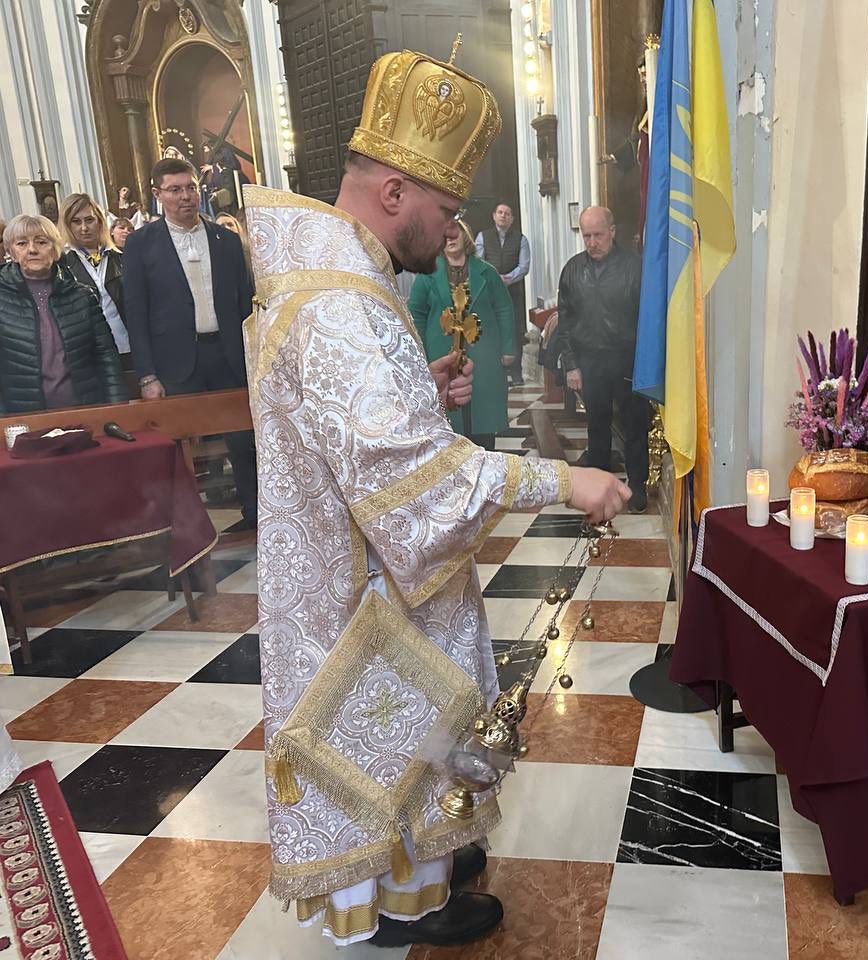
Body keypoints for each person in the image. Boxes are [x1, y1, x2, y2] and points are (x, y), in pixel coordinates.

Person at [242, 50, 631, 950]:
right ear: (393, 191)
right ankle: (394, 907)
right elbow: (409, 478)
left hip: (358, 577)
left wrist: (417, 378)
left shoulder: (334, 277)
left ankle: (428, 866)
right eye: (446, 210)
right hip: (363, 594)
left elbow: (346, 425)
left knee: (415, 737)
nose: (451, 228)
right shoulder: (337, 301)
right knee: (386, 745)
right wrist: (562, 478)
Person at [124, 156, 258, 531]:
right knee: (177, 444)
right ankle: (186, 526)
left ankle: (255, 512)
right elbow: (136, 313)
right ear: (158, 194)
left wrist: (253, 357)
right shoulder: (140, 244)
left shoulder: (226, 240)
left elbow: (245, 302)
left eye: (190, 188)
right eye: (175, 190)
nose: (185, 196)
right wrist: (147, 375)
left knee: (243, 438)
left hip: (227, 354)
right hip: (176, 359)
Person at [556, 205, 650, 512]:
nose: (592, 242)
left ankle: (636, 488)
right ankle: (597, 490)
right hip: (590, 361)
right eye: (586, 236)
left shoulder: (634, 268)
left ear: (612, 231)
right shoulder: (573, 270)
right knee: (597, 426)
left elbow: (647, 318)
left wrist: (646, 365)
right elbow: (565, 321)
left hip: (627, 360)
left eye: (598, 235)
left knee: (635, 426)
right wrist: (571, 364)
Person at [0, 215, 126, 412]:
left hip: (85, 409)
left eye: (41, 242)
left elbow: (106, 357)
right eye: (22, 243)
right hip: (24, 416)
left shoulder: (82, 296)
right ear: (11, 251)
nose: (32, 249)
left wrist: (117, 409)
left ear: (55, 248)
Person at [409, 221, 515, 450]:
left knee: (483, 419)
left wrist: (508, 348)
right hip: (441, 352)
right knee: (448, 421)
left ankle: (485, 456)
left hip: (483, 354)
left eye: (454, 232)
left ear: (465, 235)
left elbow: (504, 309)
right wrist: (419, 353)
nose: (450, 238)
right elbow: (416, 313)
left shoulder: (487, 272)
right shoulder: (427, 275)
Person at [58, 194, 130, 366]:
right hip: (87, 354)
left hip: (127, 346)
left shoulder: (121, 257)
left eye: (89, 220)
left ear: (99, 221)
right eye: (76, 221)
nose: (84, 228)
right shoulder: (61, 265)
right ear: (68, 225)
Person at [475, 202, 529, 384]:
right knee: (492, 328)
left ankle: (516, 373)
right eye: (500, 212)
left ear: (512, 219)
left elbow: (524, 266)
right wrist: (494, 278)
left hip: (513, 291)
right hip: (489, 292)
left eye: (507, 213)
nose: (503, 216)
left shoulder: (521, 239)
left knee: (515, 330)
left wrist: (508, 278)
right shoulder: (483, 237)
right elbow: (478, 261)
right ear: (494, 216)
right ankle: (495, 371)